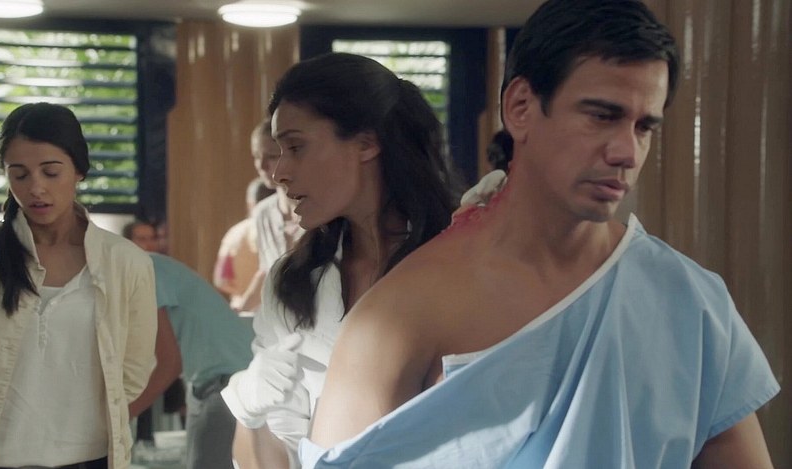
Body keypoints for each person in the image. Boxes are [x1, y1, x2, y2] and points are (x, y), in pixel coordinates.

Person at [303, 1, 780, 468]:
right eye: (601, 115)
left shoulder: (689, 301)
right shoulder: (399, 316)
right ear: (520, 107)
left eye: (643, 127)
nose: (627, 152)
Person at [219, 52, 463, 469]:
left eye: (296, 147)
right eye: (278, 151)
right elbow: (264, 456)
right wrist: (251, 409)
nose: (279, 173)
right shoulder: (292, 283)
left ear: (367, 142)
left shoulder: (459, 261)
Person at [0, 102, 157, 469]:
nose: (36, 188)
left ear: (79, 170)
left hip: (89, 458)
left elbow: (134, 368)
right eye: (19, 175)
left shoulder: (125, 263)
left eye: (51, 172)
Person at [130, 253, 254, 469]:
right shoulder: (145, 267)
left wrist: (123, 415)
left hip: (224, 381)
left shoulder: (139, 270)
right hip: (229, 376)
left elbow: (169, 363)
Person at [122, 219, 186, 443]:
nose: (148, 244)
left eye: (152, 239)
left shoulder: (159, 269)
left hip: (162, 350)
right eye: (142, 239)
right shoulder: (126, 271)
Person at [236, 118, 305, 314]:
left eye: (272, 156)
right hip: (282, 317)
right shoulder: (262, 213)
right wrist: (236, 314)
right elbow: (267, 272)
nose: (261, 165)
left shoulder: (320, 209)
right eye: (257, 156)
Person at [213, 177, 275, 311]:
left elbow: (222, 280)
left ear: (250, 203)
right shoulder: (280, 230)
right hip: (273, 308)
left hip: (240, 308)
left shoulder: (235, 232)